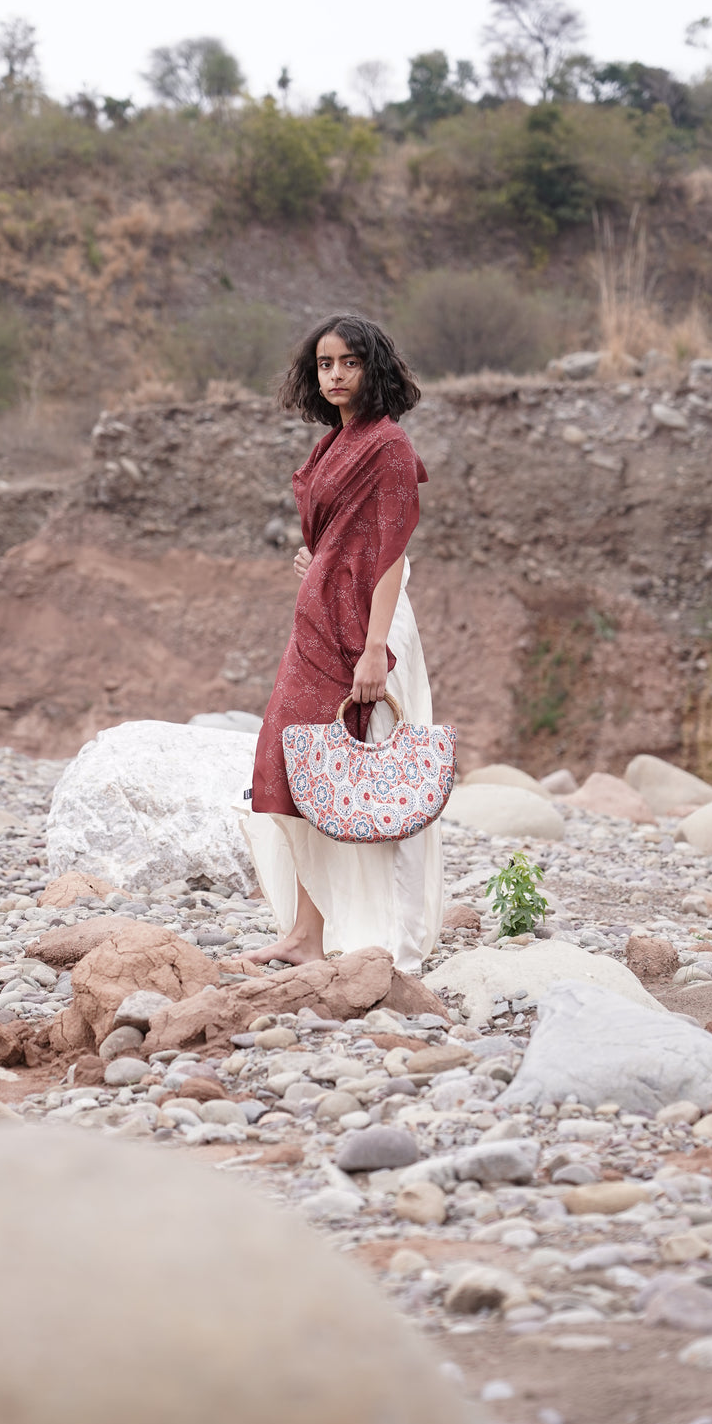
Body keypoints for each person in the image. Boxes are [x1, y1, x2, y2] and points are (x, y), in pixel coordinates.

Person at [241, 313, 444, 974]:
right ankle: (306, 933)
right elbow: (344, 537)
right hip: (322, 616)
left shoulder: (386, 445)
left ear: (373, 367)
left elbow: (388, 551)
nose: (336, 375)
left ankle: (401, 945)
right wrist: (318, 561)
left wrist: (376, 649)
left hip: (369, 625)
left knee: (384, 776)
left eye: (349, 363)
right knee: (300, 766)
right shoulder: (336, 442)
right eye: (326, 364)